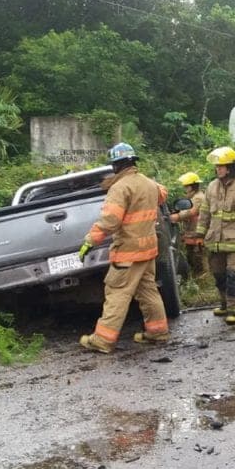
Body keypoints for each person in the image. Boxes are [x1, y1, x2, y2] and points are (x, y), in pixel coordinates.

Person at [78, 142, 170, 353]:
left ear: (116, 165)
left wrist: (90, 241)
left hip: (128, 252)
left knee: (117, 292)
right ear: (133, 162)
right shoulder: (149, 184)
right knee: (148, 291)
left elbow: (110, 221)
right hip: (147, 250)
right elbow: (163, 194)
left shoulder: (120, 188)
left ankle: (103, 340)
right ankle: (158, 332)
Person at [193, 146, 235, 325]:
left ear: (230, 168)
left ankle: (234, 311)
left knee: (234, 275)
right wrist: (199, 235)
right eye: (217, 166)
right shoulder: (211, 187)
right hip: (215, 242)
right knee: (219, 276)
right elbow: (204, 214)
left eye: (221, 166)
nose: (218, 169)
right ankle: (224, 305)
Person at [170, 172, 206, 277]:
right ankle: (195, 276)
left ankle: (200, 277)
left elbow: (191, 212)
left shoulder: (198, 198)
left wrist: (177, 217)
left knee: (197, 257)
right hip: (192, 232)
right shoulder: (192, 197)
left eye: (186, 186)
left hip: (197, 231)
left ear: (191, 187)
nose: (185, 188)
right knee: (191, 256)